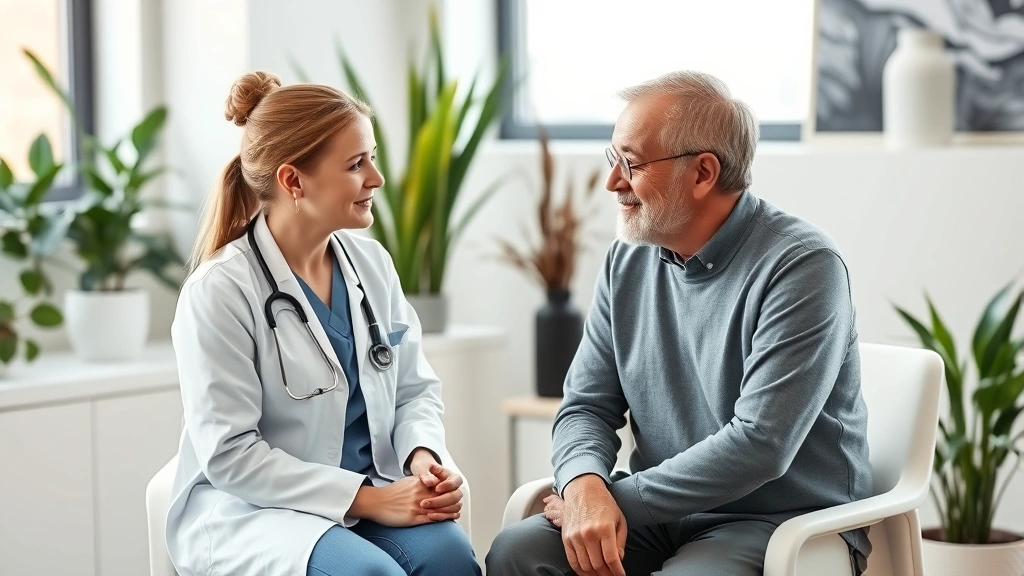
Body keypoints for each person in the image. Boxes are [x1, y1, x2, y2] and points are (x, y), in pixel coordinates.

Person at [487, 70, 872, 576]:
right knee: (517, 553)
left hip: (779, 521)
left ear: (703, 173)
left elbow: (761, 445)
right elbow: (586, 406)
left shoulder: (802, 266)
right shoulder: (626, 263)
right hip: (662, 513)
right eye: (613, 159)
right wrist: (582, 485)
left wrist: (615, 500)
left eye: (632, 162)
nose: (612, 181)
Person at [166, 71, 480, 576]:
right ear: (294, 181)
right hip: (256, 510)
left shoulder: (371, 264)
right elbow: (230, 456)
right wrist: (370, 501)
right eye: (357, 164)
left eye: (372, 158)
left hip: (373, 489)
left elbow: (413, 391)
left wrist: (423, 457)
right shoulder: (221, 290)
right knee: (368, 574)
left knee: (450, 558)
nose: (377, 179)